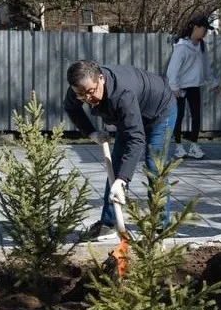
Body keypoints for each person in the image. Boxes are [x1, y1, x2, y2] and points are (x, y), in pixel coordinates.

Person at [63, 60, 177, 239]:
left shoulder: (122, 93)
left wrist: (123, 180)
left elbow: (136, 138)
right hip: (130, 117)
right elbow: (71, 108)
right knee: (115, 167)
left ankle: (160, 226)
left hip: (159, 112)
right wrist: (91, 132)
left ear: (100, 78)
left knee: (155, 167)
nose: (87, 99)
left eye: (90, 92)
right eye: (81, 95)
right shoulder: (80, 86)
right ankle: (109, 223)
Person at [166, 15, 221, 160]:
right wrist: (174, 87)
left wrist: (213, 82)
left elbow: (206, 68)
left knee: (196, 116)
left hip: (194, 86)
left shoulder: (202, 46)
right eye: (204, 29)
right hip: (180, 88)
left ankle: (194, 146)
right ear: (195, 27)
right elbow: (173, 69)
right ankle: (178, 146)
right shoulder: (182, 47)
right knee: (179, 116)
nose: (205, 33)